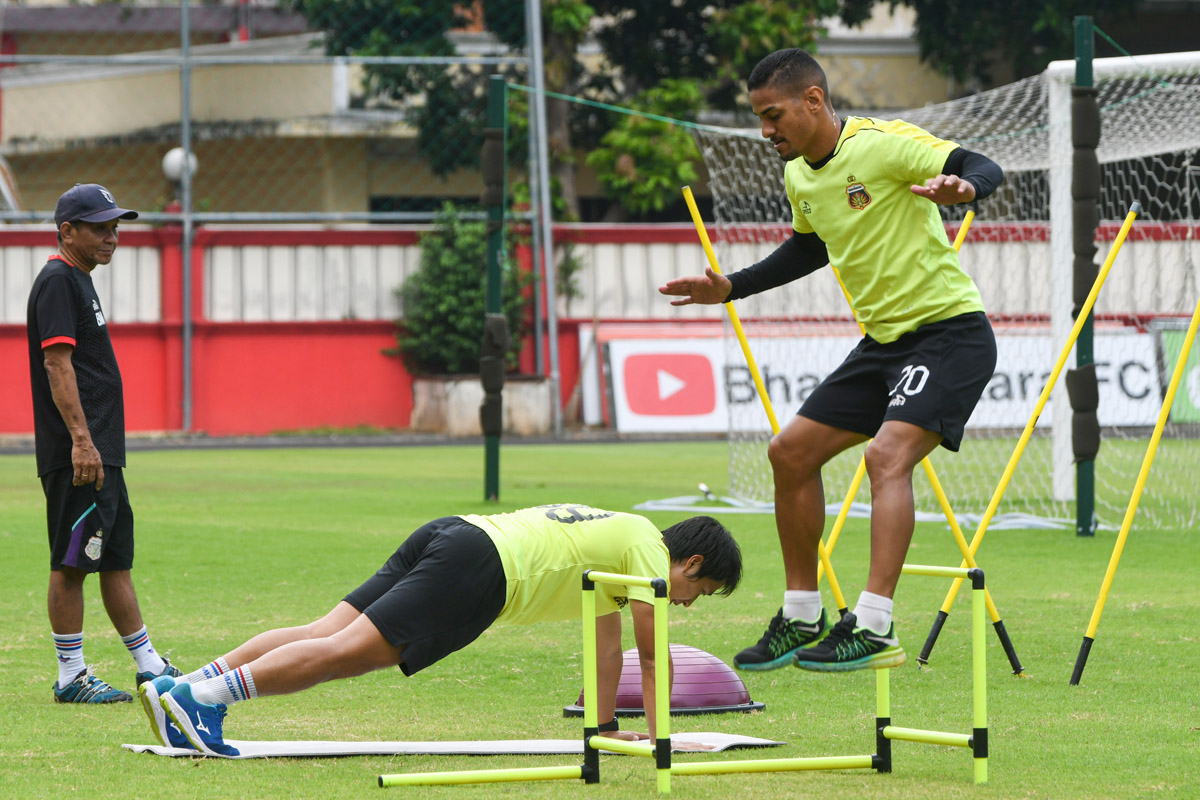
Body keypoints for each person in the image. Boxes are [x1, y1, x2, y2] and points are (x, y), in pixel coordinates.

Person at [659, 49, 1002, 673]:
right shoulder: (800, 175)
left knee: (885, 456)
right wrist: (729, 286)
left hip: (949, 335)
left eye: (774, 115)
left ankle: (873, 626)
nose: (766, 131)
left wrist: (966, 186)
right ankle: (801, 615)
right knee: (788, 452)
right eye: (760, 118)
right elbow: (807, 249)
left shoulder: (885, 145)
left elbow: (979, 164)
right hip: (882, 345)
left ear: (813, 101)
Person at [137, 505, 743, 756]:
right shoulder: (646, 551)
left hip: (457, 532)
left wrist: (608, 730)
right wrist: (666, 744)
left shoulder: (625, 536)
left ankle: (180, 689)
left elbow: (607, 652)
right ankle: (200, 700)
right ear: (689, 564)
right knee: (349, 653)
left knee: (324, 628)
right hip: (483, 568)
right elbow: (652, 654)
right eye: (701, 592)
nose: (688, 604)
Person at [26, 183, 182, 703]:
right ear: (67, 231)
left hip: (100, 453)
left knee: (114, 557)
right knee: (72, 561)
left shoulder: (80, 280)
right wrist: (80, 441)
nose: (111, 235)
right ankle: (71, 675)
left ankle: (149, 665)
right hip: (80, 455)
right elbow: (56, 362)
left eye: (115, 226)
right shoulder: (58, 281)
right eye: (99, 227)